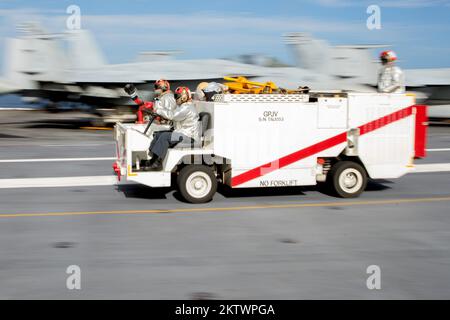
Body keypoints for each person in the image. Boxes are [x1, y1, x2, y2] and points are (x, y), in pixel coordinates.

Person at [143, 86, 200, 171]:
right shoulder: (183, 106)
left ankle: (157, 164)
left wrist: (158, 111)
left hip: (189, 136)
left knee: (164, 137)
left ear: (183, 97)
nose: (175, 98)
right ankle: (153, 160)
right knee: (158, 134)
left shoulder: (187, 108)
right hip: (182, 132)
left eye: (176, 96)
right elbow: (173, 117)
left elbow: (172, 115)